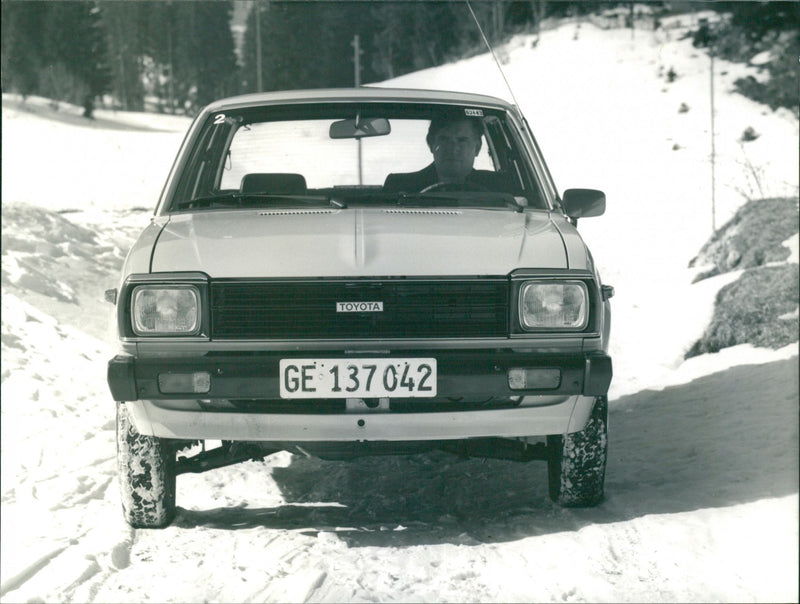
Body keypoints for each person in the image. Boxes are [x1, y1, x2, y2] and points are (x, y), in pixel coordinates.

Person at [383, 112, 509, 193]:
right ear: (431, 144)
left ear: (477, 147)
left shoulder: (498, 188)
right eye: (444, 139)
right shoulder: (399, 186)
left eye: (462, 141)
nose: (453, 148)